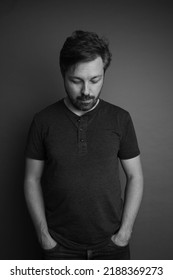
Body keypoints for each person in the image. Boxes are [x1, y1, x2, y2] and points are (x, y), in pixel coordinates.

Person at [24, 30, 143, 260]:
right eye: (76, 80)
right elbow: (31, 179)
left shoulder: (121, 118)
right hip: (59, 247)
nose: (86, 91)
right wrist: (44, 237)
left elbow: (135, 176)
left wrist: (125, 233)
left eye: (95, 80)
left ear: (103, 75)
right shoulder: (43, 121)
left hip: (112, 245)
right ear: (63, 74)